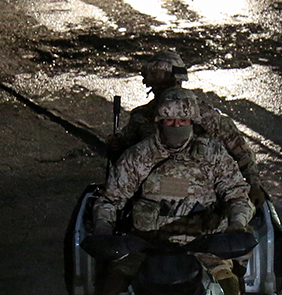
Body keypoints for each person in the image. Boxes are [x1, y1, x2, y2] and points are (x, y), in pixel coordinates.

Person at [94, 87, 255, 295]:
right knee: (110, 294)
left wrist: (237, 224)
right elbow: (110, 199)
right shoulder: (138, 156)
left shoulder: (213, 155)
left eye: (183, 121)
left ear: (193, 122)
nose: (176, 126)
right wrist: (103, 227)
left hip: (204, 250)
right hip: (146, 248)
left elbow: (237, 196)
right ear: (159, 121)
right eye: (170, 121)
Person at [108, 50, 266, 208]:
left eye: (165, 85)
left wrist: (254, 185)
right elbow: (126, 153)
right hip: (151, 198)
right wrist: (116, 146)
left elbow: (241, 152)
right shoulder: (142, 116)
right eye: (157, 86)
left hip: (201, 198)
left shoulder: (206, 117)